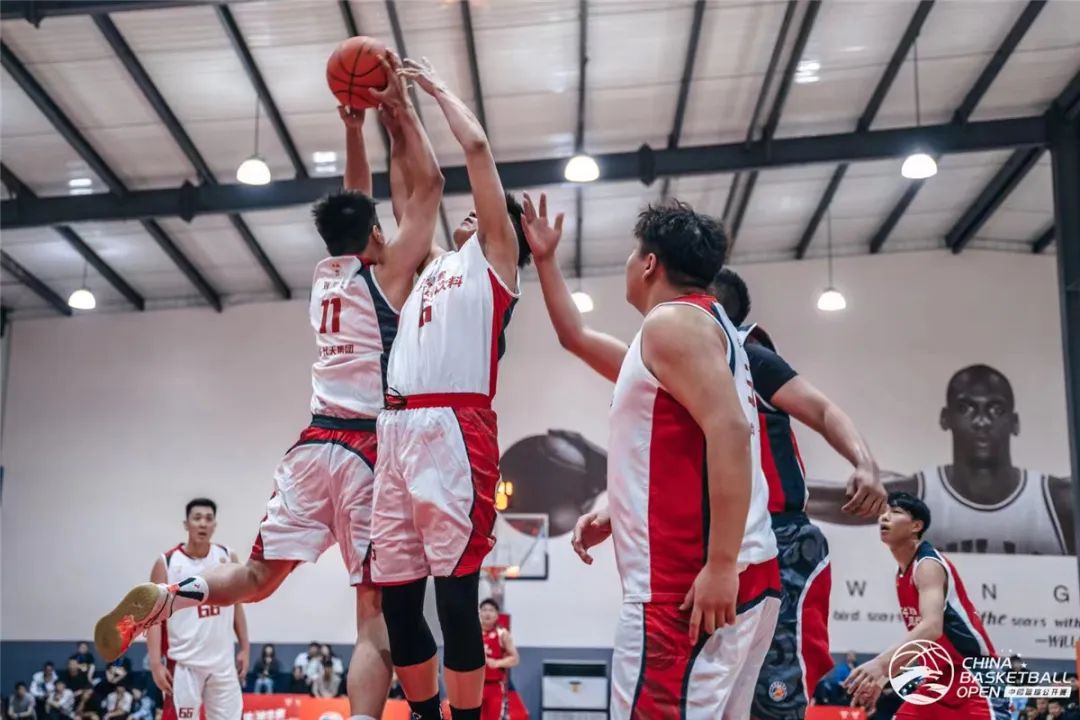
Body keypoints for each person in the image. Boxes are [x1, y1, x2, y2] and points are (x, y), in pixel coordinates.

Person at [92, 49, 444, 720]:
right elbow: (426, 190)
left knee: (256, 579)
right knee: (372, 615)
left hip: (311, 448)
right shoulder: (389, 275)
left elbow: (355, 205)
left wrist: (352, 129)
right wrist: (399, 109)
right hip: (368, 452)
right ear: (375, 235)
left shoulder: (328, 276)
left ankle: (170, 596)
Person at [525, 194, 779, 719]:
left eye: (630, 252)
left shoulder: (672, 325)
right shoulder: (693, 330)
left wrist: (720, 564)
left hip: (686, 584)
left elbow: (730, 432)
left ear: (649, 263)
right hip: (729, 572)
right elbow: (575, 337)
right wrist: (546, 260)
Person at [370, 57, 533, 720]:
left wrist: (435, 91)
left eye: (482, 213)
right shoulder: (434, 265)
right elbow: (412, 193)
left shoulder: (494, 266)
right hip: (396, 428)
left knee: (456, 597)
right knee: (398, 600)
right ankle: (423, 712)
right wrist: (397, 116)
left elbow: (477, 150)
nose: (469, 214)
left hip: (453, 433)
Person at [711, 268, 887, 720]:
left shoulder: (751, 360)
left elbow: (824, 410)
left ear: (711, 307)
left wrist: (865, 464)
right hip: (718, 546)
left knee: (775, 694)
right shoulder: (681, 372)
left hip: (780, 540)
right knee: (716, 694)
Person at [808, 365, 1073, 555]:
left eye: (996, 409)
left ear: (1014, 422)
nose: (982, 421)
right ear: (946, 418)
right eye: (966, 408)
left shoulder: (1058, 500)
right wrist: (779, 487)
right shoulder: (918, 494)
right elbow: (829, 499)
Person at [845, 492, 1007, 719]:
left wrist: (881, 664)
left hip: (973, 676)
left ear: (916, 526)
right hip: (936, 679)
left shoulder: (927, 565)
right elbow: (921, 642)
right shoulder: (902, 574)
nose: (884, 517)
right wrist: (882, 680)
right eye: (883, 512)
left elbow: (931, 628)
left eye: (895, 512)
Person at [135, 499, 249, 720]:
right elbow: (153, 618)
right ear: (186, 524)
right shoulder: (167, 562)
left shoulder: (227, 557)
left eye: (208, 519)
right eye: (197, 518)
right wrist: (156, 663)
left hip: (223, 664)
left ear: (215, 525)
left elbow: (237, 606)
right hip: (184, 664)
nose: (203, 523)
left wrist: (245, 647)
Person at [479, 598, 519, 720]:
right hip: (475, 686)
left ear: (497, 615)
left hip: (494, 686)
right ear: (479, 613)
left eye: (491, 610)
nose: (487, 613)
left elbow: (515, 659)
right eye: (484, 610)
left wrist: (497, 663)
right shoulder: (472, 633)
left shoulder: (502, 633)